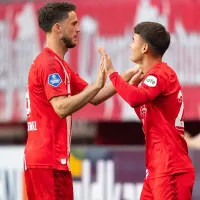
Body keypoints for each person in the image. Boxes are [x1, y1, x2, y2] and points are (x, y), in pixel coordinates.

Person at [24, 2, 138, 200]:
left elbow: (95, 97)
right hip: (47, 163)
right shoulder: (50, 65)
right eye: (73, 23)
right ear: (58, 28)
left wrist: (128, 76)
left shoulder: (59, 65)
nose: (78, 29)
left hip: (49, 161)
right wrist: (95, 85)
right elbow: (60, 108)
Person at [98, 22, 195, 200]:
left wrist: (112, 73)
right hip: (157, 170)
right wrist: (133, 84)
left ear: (144, 48)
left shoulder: (161, 74)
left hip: (170, 169)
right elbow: (144, 112)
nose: (130, 45)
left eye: (133, 40)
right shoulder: (155, 76)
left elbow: (135, 98)